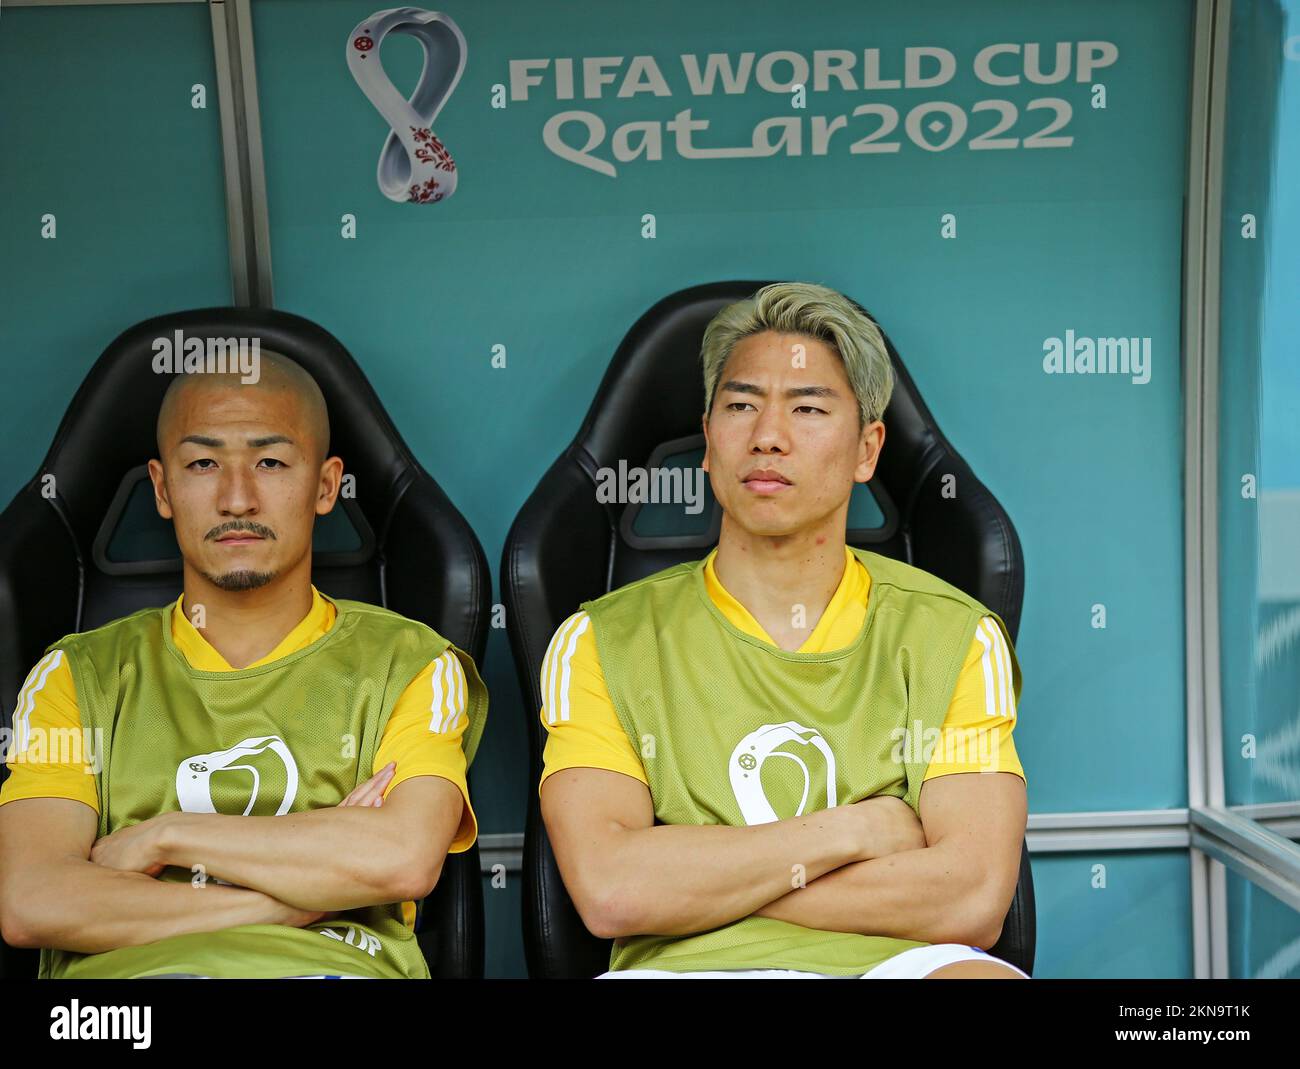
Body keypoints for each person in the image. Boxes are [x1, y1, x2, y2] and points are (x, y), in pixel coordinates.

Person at [539, 281, 1029, 978]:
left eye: (807, 407)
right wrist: (855, 830)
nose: (768, 436)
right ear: (708, 442)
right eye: (740, 405)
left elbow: (972, 897)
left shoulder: (953, 636)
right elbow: (614, 889)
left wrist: (706, 874)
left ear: (867, 450)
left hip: (903, 965)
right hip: (686, 967)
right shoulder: (599, 641)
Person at [0, 352, 486, 978]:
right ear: (162, 488)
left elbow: (403, 861)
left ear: (325, 484)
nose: (236, 498)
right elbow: (31, 900)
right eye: (203, 463)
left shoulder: (410, 665)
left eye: (271, 461)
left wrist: (164, 835)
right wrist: (288, 898)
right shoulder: (77, 676)